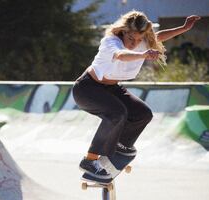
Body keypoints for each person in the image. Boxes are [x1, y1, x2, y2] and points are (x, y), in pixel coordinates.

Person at [72, 10, 200, 180]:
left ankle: (119, 146)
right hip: (87, 89)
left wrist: (184, 28)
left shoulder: (143, 42)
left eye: (139, 40)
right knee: (117, 114)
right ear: (124, 31)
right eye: (131, 38)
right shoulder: (111, 41)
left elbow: (159, 36)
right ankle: (90, 159)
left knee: (142, 114)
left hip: (111, 88)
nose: (134, 43)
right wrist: (143, 55)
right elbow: (121, 55)